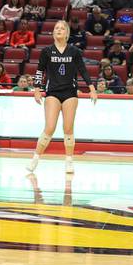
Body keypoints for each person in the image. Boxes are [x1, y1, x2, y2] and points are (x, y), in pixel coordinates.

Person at [28, 19, 96, 176]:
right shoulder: (46, 51)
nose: (58, 30)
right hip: (52, 92)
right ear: (53, 32)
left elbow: (83, 70)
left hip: (70, 93)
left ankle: (69, 161)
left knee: (68, 128)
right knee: (50, 127)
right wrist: (37, 89)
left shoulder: (74, 52)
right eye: (56, 28)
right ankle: (35, 158)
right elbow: (40, 71)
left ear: (67, 33)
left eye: (62, 28)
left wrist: (91, 88)